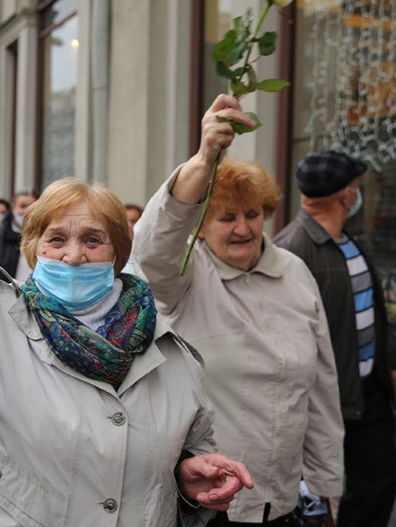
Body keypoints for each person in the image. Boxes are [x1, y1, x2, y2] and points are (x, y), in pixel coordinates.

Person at [0, 105, 255, 526]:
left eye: (93, 239)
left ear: (118, 253)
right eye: (57, 238)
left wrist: (186, 482)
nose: (75, 255)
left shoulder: (172, 353)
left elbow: (187, 456)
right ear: (33, 248)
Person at [131, 95, 344, 525]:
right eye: (226, 216)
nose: (243, 227)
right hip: (208, 506)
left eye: (252, 213)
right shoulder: (184, 277)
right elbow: (152, 250)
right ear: (202, 225)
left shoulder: (296, 273)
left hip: (286, 504)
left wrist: (326, 491)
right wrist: (205, 158)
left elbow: (320, 392)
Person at [274, 151, 396, 527]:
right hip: (325, 399)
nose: (358, 194)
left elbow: (373, 309)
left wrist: (390, 363)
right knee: (317, 494)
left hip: (370, 391)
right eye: (356, 187)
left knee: (380, 478)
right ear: (346, 195)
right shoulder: (291, 248)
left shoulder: (350, 242)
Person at [0, 189, 37, 281]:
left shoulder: (42, 236)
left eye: (31, 206)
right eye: (22, 206)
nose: (27, 211)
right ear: (13, 209)